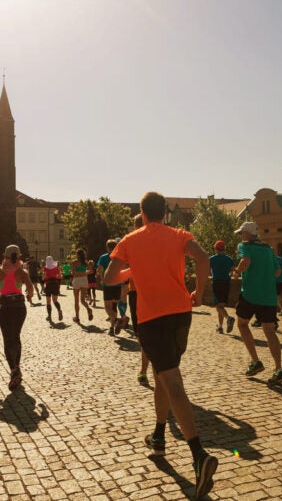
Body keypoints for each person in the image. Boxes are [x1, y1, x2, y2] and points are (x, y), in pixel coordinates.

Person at [104, 192, 218, 500]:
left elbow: (109, 276)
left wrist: (132, 270)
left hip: (153, 316)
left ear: (142, 213)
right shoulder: (180, 235)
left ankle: (198, 455)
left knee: (170, 379)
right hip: (182, 313)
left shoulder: (130, 240)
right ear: (164, 213)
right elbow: (204, 258)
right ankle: (158, 435)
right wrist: (199, 291)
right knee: (162, 374)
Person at [232, 222, 282, 385]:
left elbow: (246, 261)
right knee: (270, 331)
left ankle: (256, 361)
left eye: (242, 233)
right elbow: (277, 272)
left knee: (242, 324)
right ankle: (278, 370)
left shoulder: (244, 246)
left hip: (250, 294)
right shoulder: (268, 249)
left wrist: (237, 272)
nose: (241, 235)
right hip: (269, 296)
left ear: (248, 234)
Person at [0, 245, 35, 390]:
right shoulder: (23, 271)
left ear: (5, 256)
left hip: (5, 307)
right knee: (16, 337)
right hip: (20, 307)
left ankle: (14, 370)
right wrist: (28, 295)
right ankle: (17, 368)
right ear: (19, 256)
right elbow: (31, 289)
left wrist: (0, 284)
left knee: (7, 340)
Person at [127, 213, 150, 385]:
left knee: (142, 334)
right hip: (154, 290)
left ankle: (144, 370)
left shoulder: (131, 242)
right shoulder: (159, 241)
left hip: (136, 291)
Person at [96, 239, 122, 335]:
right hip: (118, 284)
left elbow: (99, 270)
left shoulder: (103, 257)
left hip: (108, 285)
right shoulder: (119, 257)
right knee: (114, 306)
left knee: (107, 307)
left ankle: (117, 320)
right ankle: (111, 328)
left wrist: (101, 279)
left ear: (107, 247)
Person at [210, 240, 235, 334]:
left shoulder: (212, 259)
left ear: (216, 249)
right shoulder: (229, 259)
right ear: (224, 249)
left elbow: (206, 269)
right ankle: (220, 327)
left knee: (218, 307)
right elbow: (233, 272)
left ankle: (229, 318)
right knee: (221, 306)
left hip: (217, 283)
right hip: (226, 283)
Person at [70, 248, 94, 323]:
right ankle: (88, 309)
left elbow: (74, 273)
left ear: (77, 254)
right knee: (83, 300)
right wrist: (85, 273)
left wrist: (82, 273)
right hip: (84, 280)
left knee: (76, 300)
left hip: (77, 280)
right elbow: (91, 271)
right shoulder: (85, 262)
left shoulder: (74, 262)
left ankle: (77, 317)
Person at [42, 256, 63, 322]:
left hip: (48, 284)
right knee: (55, 301)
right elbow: (60, 276)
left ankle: (49, 316)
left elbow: (43, 277)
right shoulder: (56, 268)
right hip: (55, 284)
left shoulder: (45, 268)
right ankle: (59, 310)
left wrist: (44, 277)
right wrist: (55, 276)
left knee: (48, 302)